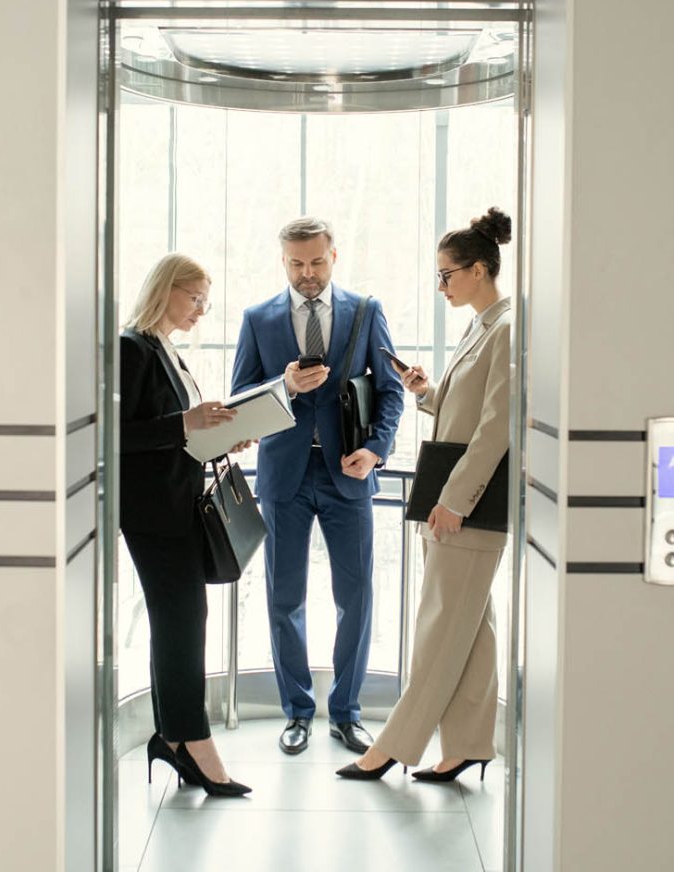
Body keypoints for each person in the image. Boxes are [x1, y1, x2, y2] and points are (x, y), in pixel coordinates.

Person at [336, 207, 512, 782]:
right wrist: (427, 391)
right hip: (458, 488)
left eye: (447, 275)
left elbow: (496, 427)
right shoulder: (484, 325)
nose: (440, 286)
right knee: (472, 625)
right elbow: (471, 410)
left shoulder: (508, 328)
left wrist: (456, 500)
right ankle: (470, 743)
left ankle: (390, 747)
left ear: (480, 270)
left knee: (440, 625)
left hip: (470, 499)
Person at [231, 217, 404, 756]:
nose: (307, 274)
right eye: (296, 264)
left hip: (348, 474)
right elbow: (240, 398)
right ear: (283, 261)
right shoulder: (258, 318)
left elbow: (391, 391)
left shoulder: (366, 312)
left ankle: (347, 712)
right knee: (285, 599)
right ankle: (298, 711)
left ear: (335, 255)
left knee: (355, 598)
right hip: (283, 476)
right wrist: (282, 383)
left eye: (317, 262)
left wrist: (376, 450)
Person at [120, 252, 253, 797]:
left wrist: (217, 435)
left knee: (179, 621)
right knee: (181, 621)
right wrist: (187, 422)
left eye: (206, 301)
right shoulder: (133, 348)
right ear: (165, 288)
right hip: (152, 513)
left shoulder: (165, 350)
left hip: (175, 505)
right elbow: (117, 434)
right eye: (194, 297)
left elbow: (173, 437)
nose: (201, 309)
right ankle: (191, 742)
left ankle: (174, 737)